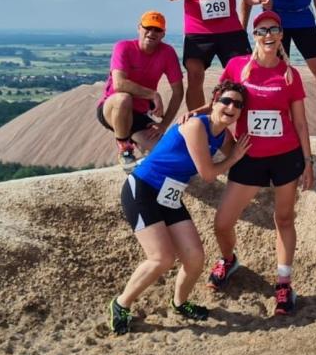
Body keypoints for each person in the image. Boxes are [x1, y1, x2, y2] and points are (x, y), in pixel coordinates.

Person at [188, 11, 313, 315]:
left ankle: (284, 284)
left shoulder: (290, 75)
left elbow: (299, 122)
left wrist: (308, 161)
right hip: (248, 156)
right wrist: (196, 113)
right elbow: (220, 101)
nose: (268, 35)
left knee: (284, 219)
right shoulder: (237, 66)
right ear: (254, 36)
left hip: (285, 157)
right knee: (222, 222)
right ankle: (229, 260)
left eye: (273, 29)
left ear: (281, 35)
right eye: (261, 30)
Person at [107, 81, 252, 335]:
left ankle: (180, 303)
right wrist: (233, 158)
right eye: (226, 101)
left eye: (237, 105)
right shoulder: (196, 125)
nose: (231, 107)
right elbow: (208, 174)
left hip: (169, 195)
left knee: (195, 258)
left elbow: (241, 154)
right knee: (161, 258)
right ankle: (121, 304)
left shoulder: (223, 135)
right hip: (142, 189)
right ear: (214, 102)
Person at [96, 10, 184, 169]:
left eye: (157, 29)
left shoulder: (167, 53)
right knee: (124, 98)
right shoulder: (123, 47)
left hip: (139, 114)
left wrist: (164, 124)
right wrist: (153, 94)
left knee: (170, 153)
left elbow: (178, 92)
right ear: (139, 28)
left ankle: (139, 147)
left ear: (163, 34)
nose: (152, 33)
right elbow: (119, 84)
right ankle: (124, 148)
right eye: (148, 28)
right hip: (113, 108)